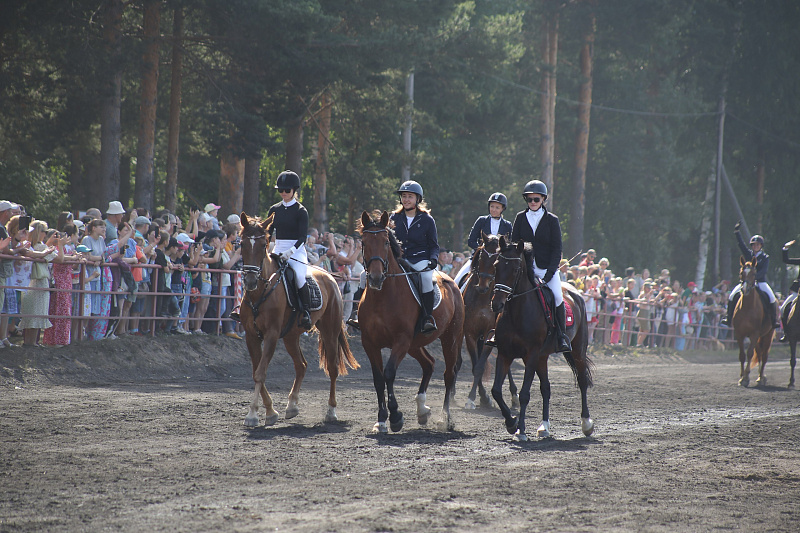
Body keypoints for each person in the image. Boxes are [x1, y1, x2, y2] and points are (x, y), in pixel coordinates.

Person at [486, 180, 570, 352]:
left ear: (543, 200)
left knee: (556, 297)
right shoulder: (520, 217)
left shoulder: (552, 220)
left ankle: (561, 335)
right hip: (524, 269)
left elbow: (557, 249)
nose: (532, 202)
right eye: (529, 199)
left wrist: (550, 273)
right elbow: (514, 243)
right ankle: (497, 331)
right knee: (505, 292)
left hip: (546, 268)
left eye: (536, 199)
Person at [388, 180, 440, 333]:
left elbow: (434, 245)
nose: (406, 200)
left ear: (418, 199)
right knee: (366, 275)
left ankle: (427, 317)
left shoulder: (427, 220)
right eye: (404, 196)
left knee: (425, 279)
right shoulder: (393, 218)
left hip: (419, 259)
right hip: (399, 259)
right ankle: (361, 314)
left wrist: (433, 260)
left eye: (410, 196)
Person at [266, 170, 312, 329]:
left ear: (294, 190)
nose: (283, 193)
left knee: (299, 276)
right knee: (260, 272)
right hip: (277, 248)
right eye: (280, 190)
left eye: (287, 190)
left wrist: (290, 252)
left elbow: (302, 238)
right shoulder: (274, 209)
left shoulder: (301, 211)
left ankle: (306, 311)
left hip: (296, 251)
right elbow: (268, 233)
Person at [720, 223, 780, 328]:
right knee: (732, 295)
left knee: (771, 298)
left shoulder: (765, 257)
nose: (755, 246)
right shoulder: (749, 254)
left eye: (757, 244)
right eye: (754, 244)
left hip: (760, 282)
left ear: (761, 246)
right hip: (746, 282)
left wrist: (754, 278)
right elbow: (741, 245)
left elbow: (763, 271)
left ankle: (773, 320)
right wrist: (737, 233)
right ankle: (728, 317)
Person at [453, 192, 512, 287]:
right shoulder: (481, 220)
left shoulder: (507, 225)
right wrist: (482, 251)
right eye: (492, 206)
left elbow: (508, 245)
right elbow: (471, 240)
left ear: (502, 209)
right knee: (456, 281)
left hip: (498, 261)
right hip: (479, 259)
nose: (494, 209)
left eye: (497, 207)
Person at [779, 240, 800, 341]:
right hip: (798, 291)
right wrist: (785, 248)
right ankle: (786, 333)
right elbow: (786, 260)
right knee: (783, 308)